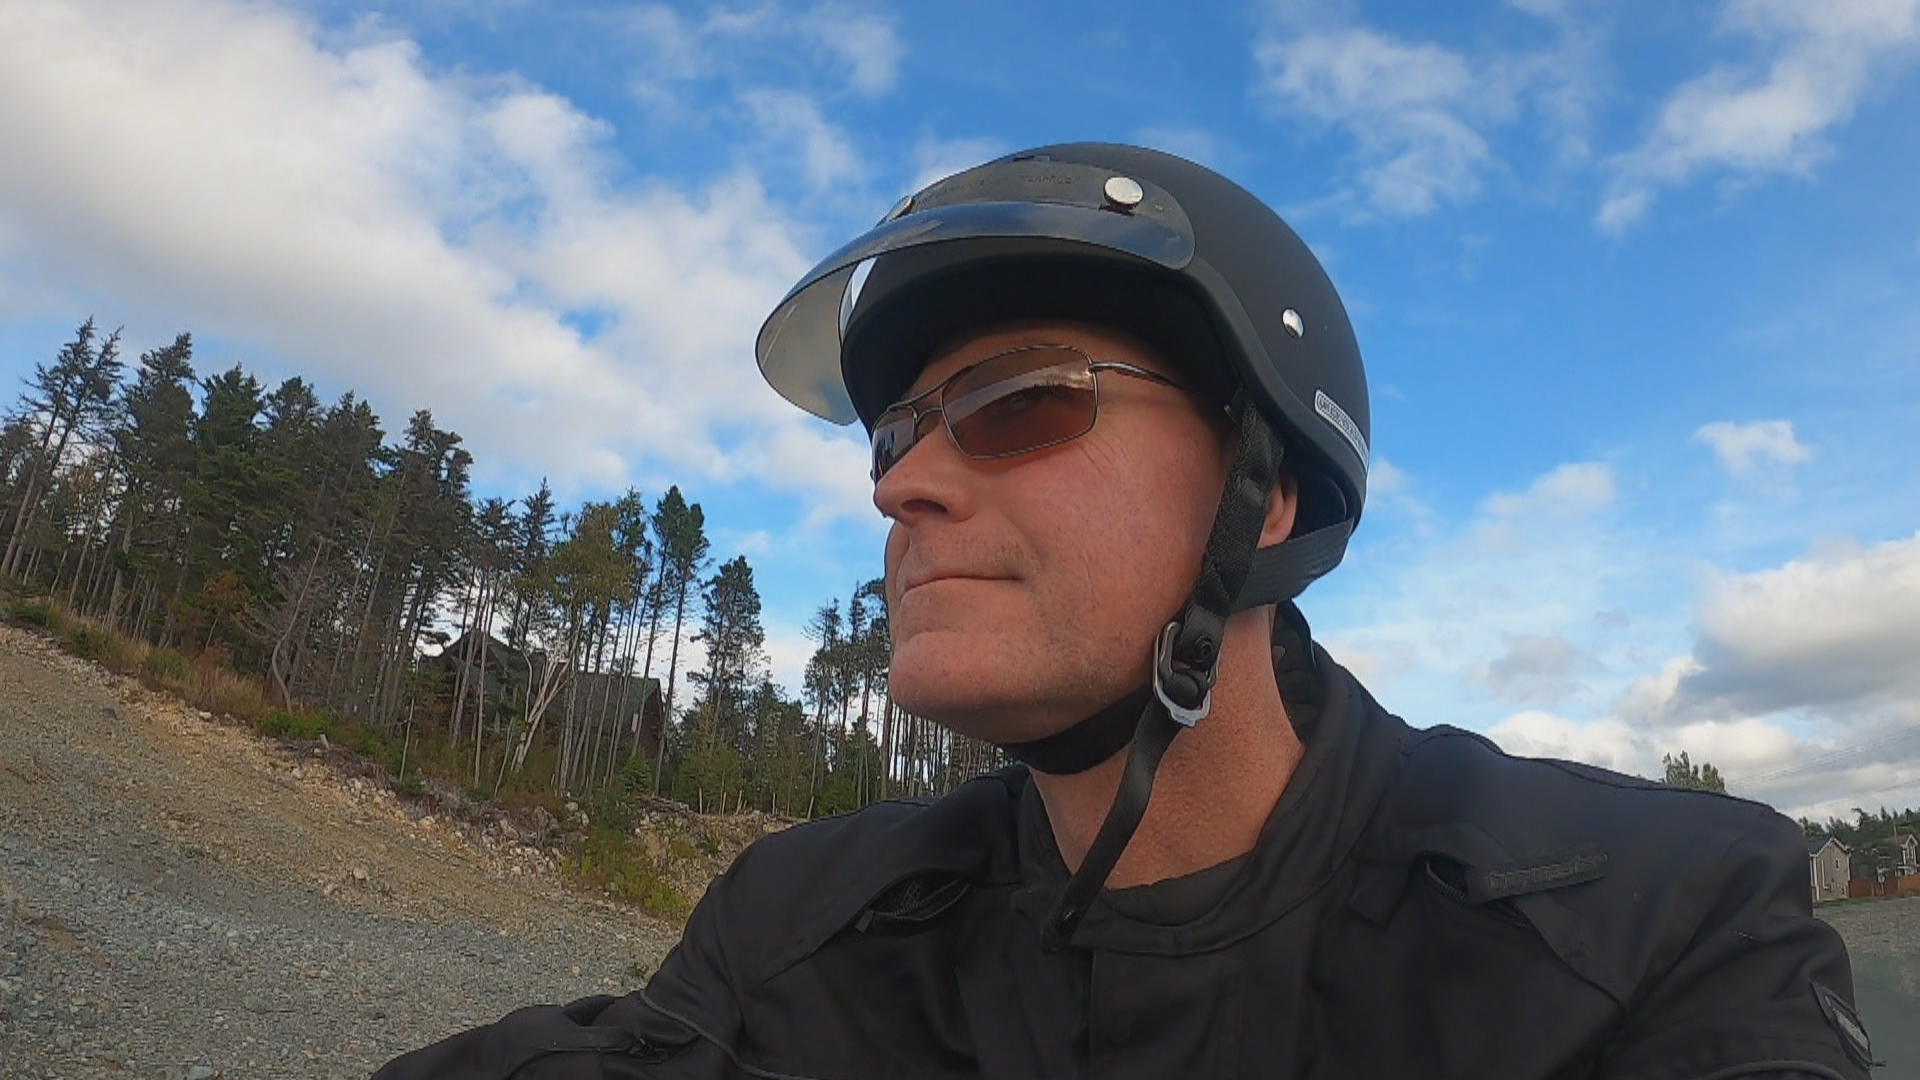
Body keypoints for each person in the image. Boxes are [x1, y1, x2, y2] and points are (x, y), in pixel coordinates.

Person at [373, 144, 1874, 1079]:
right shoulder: (801, 929)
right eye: (895, 435)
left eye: (1019, 403)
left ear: (1264, 494)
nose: (902, 490)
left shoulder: (1660, 916)